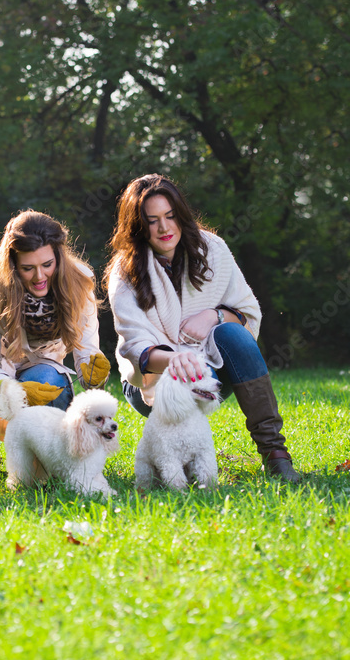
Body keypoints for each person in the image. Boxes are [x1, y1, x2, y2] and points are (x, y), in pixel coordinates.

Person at [105, 174, 300, 482]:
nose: (164, 228)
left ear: (181, 215)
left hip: (206, 375)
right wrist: (174, 359)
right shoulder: (124, 271)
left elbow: (248, 313)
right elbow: (134, 344)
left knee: (232, 332)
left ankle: (276, 455)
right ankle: (173, 459)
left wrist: (214, 315)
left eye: (170, 216)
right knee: (158, 374)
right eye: (152, 221)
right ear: (139, 227)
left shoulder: (213, 249)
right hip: (151, 380)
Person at [0, 210, 111, 487]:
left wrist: (93, 371)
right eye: (28, 268)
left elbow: (87, 351)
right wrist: (9, 389)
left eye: (47, 264)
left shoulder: (80, 278)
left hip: (42, 377)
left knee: (49, 380)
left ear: (59, 256)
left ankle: (46, 465)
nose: (39, 276)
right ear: (12, 264)